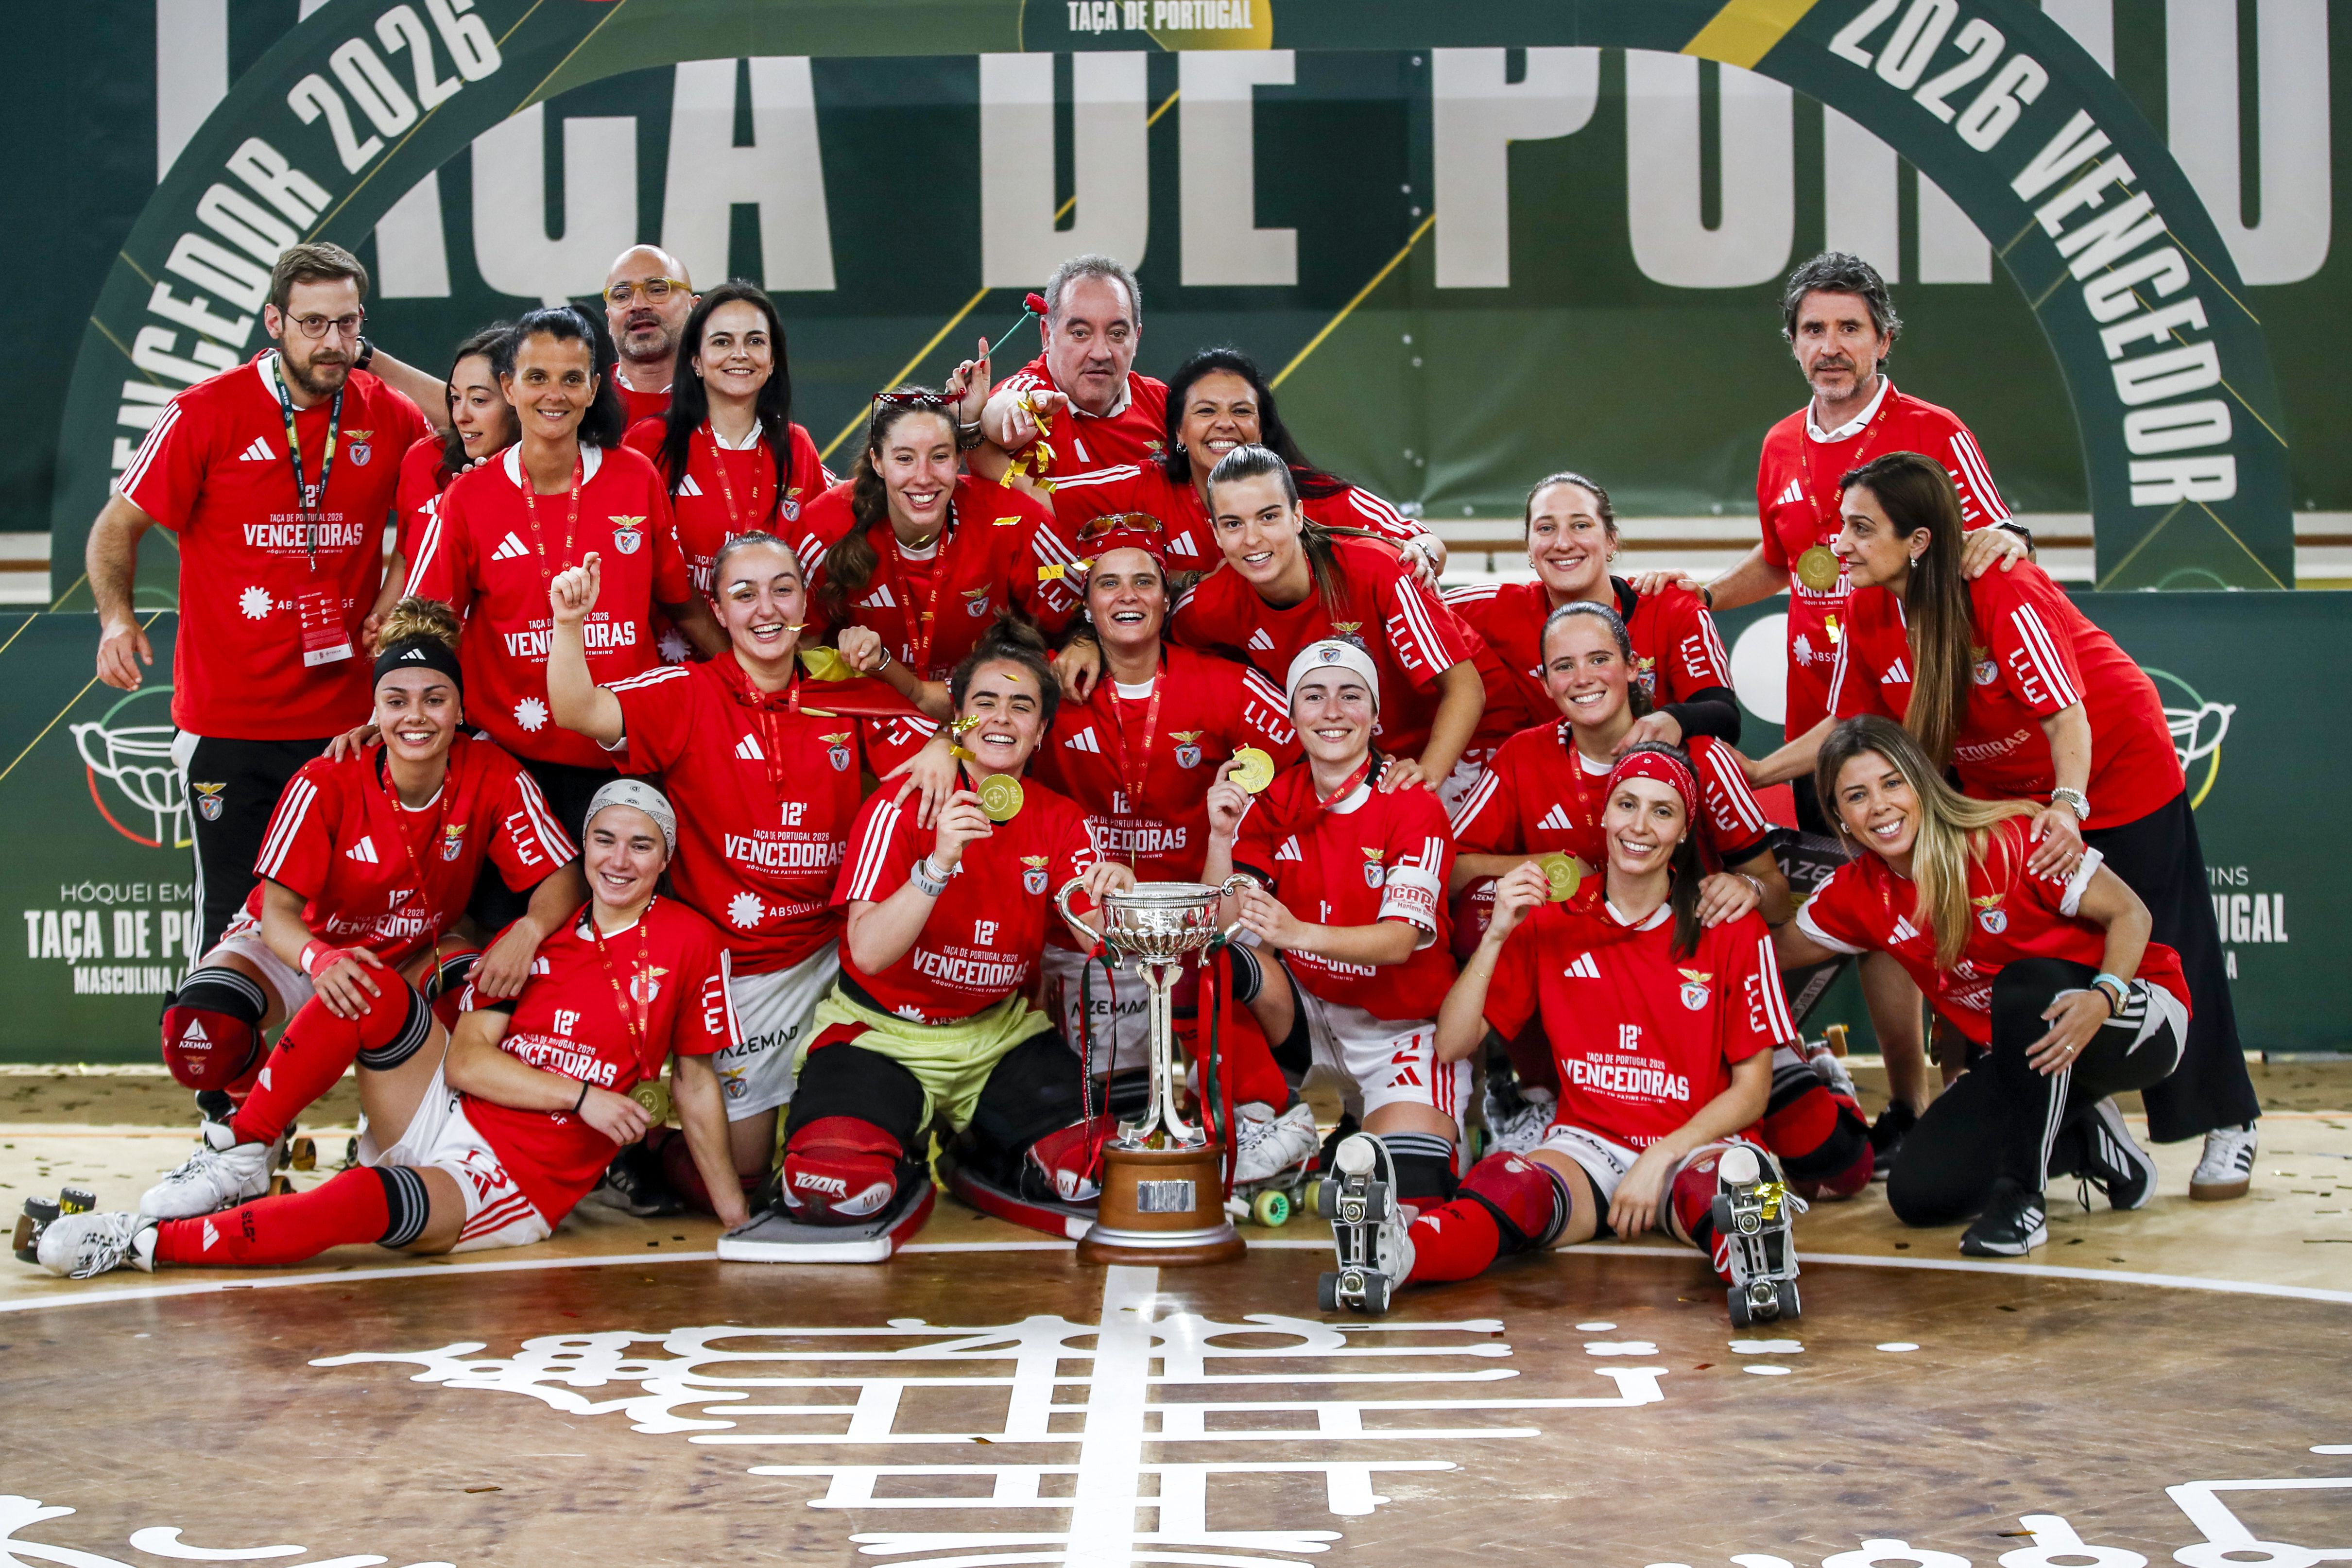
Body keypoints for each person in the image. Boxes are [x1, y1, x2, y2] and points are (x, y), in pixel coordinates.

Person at [1747, 451, 2258, 1195]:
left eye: (1860, 528)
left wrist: (2068, 806)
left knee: (2162, 936)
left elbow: (2067, 714)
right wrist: (1754, 771)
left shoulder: (1996, 586)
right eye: (1840, 527)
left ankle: (2227, 1121)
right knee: (2001, 947)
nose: (1841, 545)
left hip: (2108, 765)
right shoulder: (1864, 608)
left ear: (1917, 539)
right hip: (2003, 784)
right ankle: (2075, 1116)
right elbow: (1850, 725)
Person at [33, 782, 745, 1278]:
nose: (619, 860)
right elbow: (466, 1062)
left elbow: (694, 1081)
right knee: (366, 979)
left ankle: (142, 1243)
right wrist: (583, 1094)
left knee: (359, 1201)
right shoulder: (541, 935)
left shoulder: (692, 941)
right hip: (448, 1105)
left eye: (641, 845)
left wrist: (738, 1217)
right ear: (583, 845)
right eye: (604, 839)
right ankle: (243, 1149)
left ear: (666, 856)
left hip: (510, 1177)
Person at [1317, 747, 1793, 1315]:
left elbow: (1753, 1091)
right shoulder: (1552, 918)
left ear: (1685, 829)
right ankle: (1393, 1253)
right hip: (1589, 1142)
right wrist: (1496, 933)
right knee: (1507, 1180)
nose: (1639, 825)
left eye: (1661, 811)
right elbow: (1451, 1043)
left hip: (1696, 1143)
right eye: (1626, 804)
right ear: (1604, 815)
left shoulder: (1728, 925)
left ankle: (1761, 1254)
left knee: (1716, 1186)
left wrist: (1660, 1156)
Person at [545, 534, 927, 1205]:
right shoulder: (689, 691)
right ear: (718, 611)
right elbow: (578, 709)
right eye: (744, 594)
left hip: (835, 958)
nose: (766, 608)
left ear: (806, 602)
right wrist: (569, 623)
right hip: (742, 967)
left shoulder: (845, 690)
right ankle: (644, 1149)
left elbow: (939, 745)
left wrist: (945, 754)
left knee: (840, 1145)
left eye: (782, 589)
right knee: (746, 1171)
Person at [1445, 603, 1867, 1200]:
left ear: (1633, 668)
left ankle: (1818, 1070)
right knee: (1486, 911)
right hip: (1593, 1006)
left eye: (1598, 659)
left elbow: (1775, 895)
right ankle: (1537, 1093)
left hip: (1696, 1004)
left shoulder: (1704, 757)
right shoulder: (1523, 755)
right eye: (1563, 666)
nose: (1583, 678)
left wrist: (1743, 886)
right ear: (1543, 683)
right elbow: (1454, 865)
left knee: (1833, 1168)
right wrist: (1534, 866)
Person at [95, 242, 436, 953]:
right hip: (229, 722)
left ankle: (339, 1061)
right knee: (228, 914)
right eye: (313, 324)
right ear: (273, 322)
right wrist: (116, 618)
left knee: (351, 912)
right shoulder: (203, 412)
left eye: (347, 325)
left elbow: (478, 420)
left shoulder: (391, 413)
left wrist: (393, 592)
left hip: (347, 721)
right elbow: (115, 526)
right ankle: (214, 1063)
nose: (332, 342)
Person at [153, 598, 583, 1140]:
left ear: (459, 707)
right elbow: (280, 914)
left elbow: (559, 876)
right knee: (204, 1030)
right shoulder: (325, 778)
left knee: (482, 989)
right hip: (304, 949)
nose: (416, 716)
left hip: (413, 949)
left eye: (435, 698)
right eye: (396, 700)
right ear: (374, 710)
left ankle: (396, 1121)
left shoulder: (491, 770)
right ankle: (245, 1126)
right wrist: (320, 956)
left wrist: (529, 928)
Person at [1773, 718, 2191, 1255]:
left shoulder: (2010, 838)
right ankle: (2088, 1138)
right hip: (2028, 1054)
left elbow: (2129, 913)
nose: (1878, 805)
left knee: (2024, 983)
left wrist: (2103, 995)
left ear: (1921, 784)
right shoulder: (1859, 893)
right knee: (1919, 1193)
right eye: (1856, 795)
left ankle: (2022, 1202)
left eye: (1892, 783)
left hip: (2133, 1014)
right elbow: (1774, 950)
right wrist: (1736, 890)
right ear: (1840, 819)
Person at [774, 625, 1133, 1234]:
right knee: (830, 1189)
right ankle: (898, 1145)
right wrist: (937, 865)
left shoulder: (1060, 819)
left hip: (995, 1035)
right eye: (984, 704)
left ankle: (985, 1150)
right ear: (957, 722)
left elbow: (1094, 935)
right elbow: (866, 950)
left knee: (1097, 1175)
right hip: (883, 1034)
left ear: (1041, 730)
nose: (1002, 718)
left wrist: (1116, 895)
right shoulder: (900, 804)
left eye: (1022, 706)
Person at [1022, 516, 1316, 1183]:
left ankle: (1263, 1109)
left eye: (1144, 582)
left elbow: (1306, 758)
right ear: (1087, 602)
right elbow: (971, 722)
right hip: (1088, 929)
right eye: (1108, 583)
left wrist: (1251, 870)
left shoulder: (1223, 683)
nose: (1126, 596)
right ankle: (1206, 1110)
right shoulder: (1047, 683)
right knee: (1108, 1112)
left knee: (1205, 958)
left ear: (1165, 597)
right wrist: (937, 741)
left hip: (1194, 919)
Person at [1689, 251, 2026, 829]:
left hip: (1915, 721)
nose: (1830, 347)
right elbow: (1781, 561)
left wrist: (2005, 539)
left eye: (1850, 328)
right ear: (1792, 343)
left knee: (1924, 897)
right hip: (1817, 720)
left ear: (1884, 340)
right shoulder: (1778, 443)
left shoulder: (1933, 431)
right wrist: (1701, 598)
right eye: (1813, 330)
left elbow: (1999, 541)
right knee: (1832, 892)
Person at [405, 305, 724, 843]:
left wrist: (748, 678)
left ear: (594, 386)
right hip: (512, 759)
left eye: (572, 378)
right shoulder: (468, 497)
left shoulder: (633, 477)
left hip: (622, 749)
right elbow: (428, 625)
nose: (554, 394)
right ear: (509, 386)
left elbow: (682, 602)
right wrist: (387, 703)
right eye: (537, 377)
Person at [1200, 639, 1464, 1210]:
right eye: (1313, 697)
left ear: (1375, 715)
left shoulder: (1411, 801)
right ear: (1293, 714)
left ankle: (1355, 1140)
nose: (1332, 711)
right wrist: (1220, 838)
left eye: (1350, 695)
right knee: (1218, 959)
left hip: (1400, 1032)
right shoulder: (1274, 796)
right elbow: (1220, 923)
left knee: (1404, 1199)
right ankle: (1268, 1119)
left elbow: (1398, 942)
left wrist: (1296, 933)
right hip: (1311, 1017)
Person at [1173, 445, 1505, 804]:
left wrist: (1424, 779)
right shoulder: (1211, 605)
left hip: (1469, 737)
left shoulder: (1377, 569)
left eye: (1268, 517)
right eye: (1233, 524)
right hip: (1363, 759)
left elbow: (1465, 690)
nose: (1252, 539)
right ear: (1216, 533)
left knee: (1426, 844)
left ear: (1297, 516)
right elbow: (1163, 650)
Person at [801, 386, 1083, 772]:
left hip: (983, 725)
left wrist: (1086, 643)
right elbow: (799, 655)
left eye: (939, 457)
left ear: (959, 460)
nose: (923, 478)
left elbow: (1069, 628)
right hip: (866, 732)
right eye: (904, 458)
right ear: (877, 461)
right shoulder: (824, 527)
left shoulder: (1016, 521)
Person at [1042, 346, 1443, 581]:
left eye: (1240, 411)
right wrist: (977, 430)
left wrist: (1421, 555)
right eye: (1205, 411)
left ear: (1261, 429)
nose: (1224, 424)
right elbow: (1032, 502)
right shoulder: (1141, 486)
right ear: (1178, 432)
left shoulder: (1306, 493)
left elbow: (1424, 541)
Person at [1444, 471, 1738, 748]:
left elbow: (1724, 716)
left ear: (1611, 540)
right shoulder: (1495, 608)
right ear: (1529, 547)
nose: (1562, 543)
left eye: (1580, 526)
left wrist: (1674, 720)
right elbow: (1409, 607)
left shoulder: (1670, 605)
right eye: (1546, 529)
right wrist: (1423, 548)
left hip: (1654, 788)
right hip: (1554, 793)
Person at [622, 280, 830, 611]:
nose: (740, 354)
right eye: (722, 342)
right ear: (696, 362)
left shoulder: (796, 445)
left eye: (755, 341)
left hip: (771, 649)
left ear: (772, 360)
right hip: (672, 657)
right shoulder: (649, 442)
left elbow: (820, 568)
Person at [378, 325, 517, 625]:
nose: (461, 415)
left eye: (479, 400)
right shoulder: (425, 459)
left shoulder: (547, 476)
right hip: (428, 650)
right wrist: (381, 615)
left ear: (517, 400)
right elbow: (405, 552)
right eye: (455, 398)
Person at [979, 253, 1165, 476]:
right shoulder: (1032, 391)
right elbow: (1001, 409)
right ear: (1047, 335)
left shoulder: (1163, 403)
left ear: (1136, 339)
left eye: (1117, 334)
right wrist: (1017, 410)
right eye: (1080, 333)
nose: (1100, 353)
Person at [603, 244, 698, 423]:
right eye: (622, 296)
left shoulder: (725, 399)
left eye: (657, 290)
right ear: (609, 318)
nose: (638, 305)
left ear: (694, 309)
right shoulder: (582, 402)